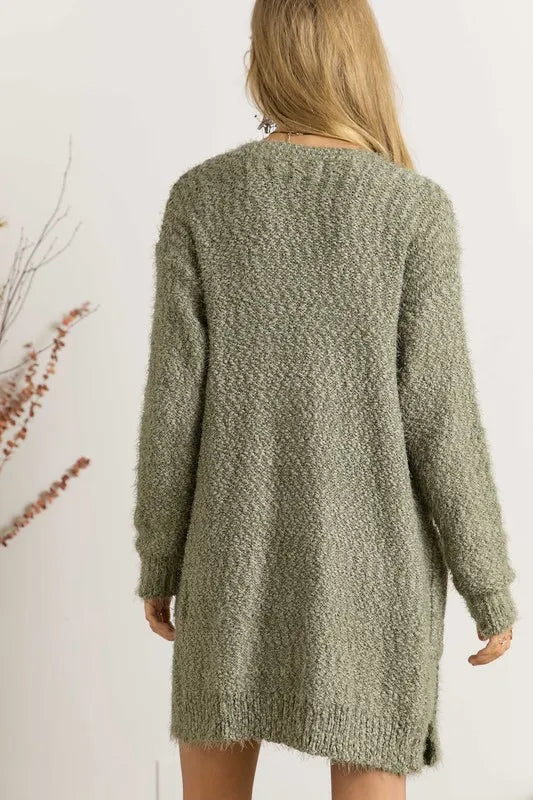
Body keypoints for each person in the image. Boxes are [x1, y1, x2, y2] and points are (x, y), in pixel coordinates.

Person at [133, 0, 518, 798]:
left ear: (262, 61)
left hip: (230, 558)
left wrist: (161, 560)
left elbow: (172, 408)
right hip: (375, 568)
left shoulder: (202, 198)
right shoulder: (409, 208)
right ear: (361, 60)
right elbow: (440, 416)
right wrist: (485, 583)